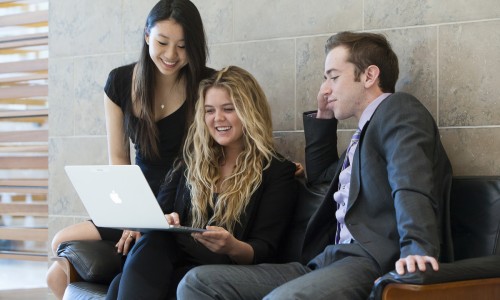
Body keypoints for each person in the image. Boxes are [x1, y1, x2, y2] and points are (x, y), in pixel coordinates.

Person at [177, 31, 453, 299]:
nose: (325, 88)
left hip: (370, 260)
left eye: (333, 77)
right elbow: (320, 178)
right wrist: (323, 115)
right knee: (197, 283)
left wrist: (418, 247)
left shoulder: (398, 109)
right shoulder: (362, 139)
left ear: (369, 75)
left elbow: (410, 180)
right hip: (327, 260)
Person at [46, 0, 213, 298]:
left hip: (181, 206)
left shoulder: (207, 84)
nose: (171, 55)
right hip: (135, 200)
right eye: (162, 42)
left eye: (183, 46)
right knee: (60, 246)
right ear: (147, 36)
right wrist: (132, 215)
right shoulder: (121, 82)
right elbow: (119, 160)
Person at [105, 65, 299, 299]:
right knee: (152, 243)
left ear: (250, 111)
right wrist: (164, 220)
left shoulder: (276, 171)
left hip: (227, 270)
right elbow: (159, 213)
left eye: (228, 109)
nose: (217, 119)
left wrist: (231, 245)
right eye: (209, 111)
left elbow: (265, 250)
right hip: (179, 261)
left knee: (122, 284)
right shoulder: (190, 162)